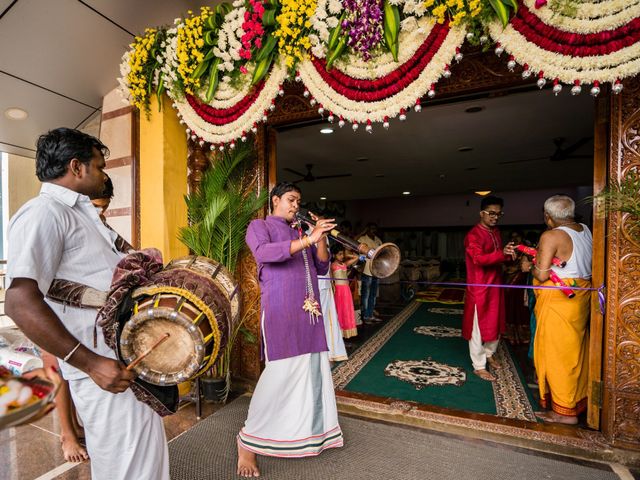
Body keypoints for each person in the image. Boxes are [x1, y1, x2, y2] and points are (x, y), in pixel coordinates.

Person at [5, 128, 169, 479]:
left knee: (144, 461)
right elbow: (19, 301)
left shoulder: (83, 216)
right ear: (76, 167)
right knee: (125, 468)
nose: (103, 174)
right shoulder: (44, 213)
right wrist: (91, 364)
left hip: (122, 361)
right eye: (99, 166)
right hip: (103, 369)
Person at [237, 182, 343, 477]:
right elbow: (265, 254)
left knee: (312, 374)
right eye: (291, 199)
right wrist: (309, 239)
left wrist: (319, 235)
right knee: (278, 376)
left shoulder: (301, 232)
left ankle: (301, 435)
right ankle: (247, 442)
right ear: (275, 200)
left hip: (309, 313)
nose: (296, 205)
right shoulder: (259, 226)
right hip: (281, 312)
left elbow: (322, 267)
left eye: (298, 201)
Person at [523, 195, 592, 425]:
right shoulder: (585, 230)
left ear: (547, 217)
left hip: (559, 302)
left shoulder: (551, 235)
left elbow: (542, 274)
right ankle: (574, 401)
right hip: (580, 299)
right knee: (574, 354)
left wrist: (528, 266)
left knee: (556, 356)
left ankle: (564, 413)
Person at [462, 196, 515, 382]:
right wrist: (502, 254)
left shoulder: (496, 232)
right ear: (481, 213)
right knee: (478, 326)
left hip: (495, 285)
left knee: (496, 321)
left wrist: (508, 254)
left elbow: (498, 256)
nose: (495, 217)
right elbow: (478, 259)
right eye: (491, 213)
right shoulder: (473, 235)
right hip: (479, 287)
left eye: (498, 214)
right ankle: (478, 365)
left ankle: (488, 352)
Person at [330, 244, 359, 339]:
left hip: (346, 290)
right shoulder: (332, 265)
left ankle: (347, 333)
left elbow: (356, 257)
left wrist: (346, 254)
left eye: (342, 254)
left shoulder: (344, 264)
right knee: (340, 310)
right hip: (338, 291)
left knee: (347, 310)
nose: (342, 256)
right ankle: (339, 333)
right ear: (334, 255)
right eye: (339, 254)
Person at [358, 223, 383, 324]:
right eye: (371, 228)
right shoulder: (362, 239)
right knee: (366, 295)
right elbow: (358, 252)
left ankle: (370, 314)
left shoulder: (378, 240)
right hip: (367, 270)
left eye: (375, 228)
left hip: (376, 270)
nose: (374, 230)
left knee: (373, 294)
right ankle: (365, 316)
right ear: (367, 229)